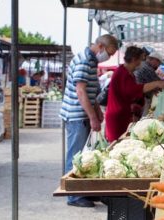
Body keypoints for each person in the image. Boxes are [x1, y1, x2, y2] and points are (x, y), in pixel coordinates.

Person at [59, 34, 118, 208]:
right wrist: (93, 117)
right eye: (109, 52)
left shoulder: (92, 62)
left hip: (83, 114)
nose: (109, 56)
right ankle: (74, 196)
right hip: (77, 115)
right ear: (100, 46)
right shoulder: (84, 61)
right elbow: (81, 92)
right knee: (76, 156)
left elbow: (91, 91)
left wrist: (97, 110)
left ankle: (84, 191)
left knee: (85, 156)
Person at [105, 46, 164, 142]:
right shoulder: (122, 73)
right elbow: (133, 90)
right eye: (141, 60)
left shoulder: (128, 72)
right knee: (116, 143)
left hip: (124, 113)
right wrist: (156, 84)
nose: (142, 63)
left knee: (123, 141)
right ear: (134, 59)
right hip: (117, 116)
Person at [134, 51, 164, 116]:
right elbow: (158, 82)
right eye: (158, 63)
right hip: (141, 98)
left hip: (137, 97)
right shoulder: (147, 68)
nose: (158, 65)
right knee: (142, 119)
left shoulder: (142, 65)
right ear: (154, 60)